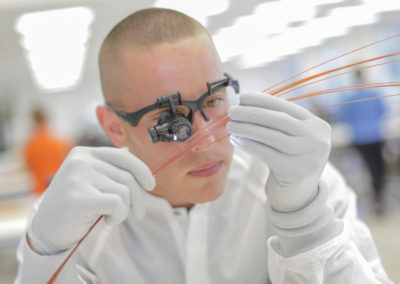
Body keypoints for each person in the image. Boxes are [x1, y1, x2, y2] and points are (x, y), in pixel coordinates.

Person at [16, 8, 392, 283]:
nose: (208, 139)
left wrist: (307, 223)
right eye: (169, 121)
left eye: (214, 100)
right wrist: (45, 258)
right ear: (115, 127)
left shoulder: (299, 181)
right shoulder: (75, 224)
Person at [339, 69, 387, 214]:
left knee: (367, 167)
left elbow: (344, 118)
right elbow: (383, 112)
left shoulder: (349, 98)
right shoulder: (373, 94)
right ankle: (378, 199)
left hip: (359, 139)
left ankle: (372, 199)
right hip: (375, 136)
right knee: (378, 168)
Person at [23, 107, 73, 196]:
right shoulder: (59, 141)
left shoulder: (29, 145)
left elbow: (28, 166)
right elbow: (69, 165)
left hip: (40, 191)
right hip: (59, 188)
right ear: (47, 119)